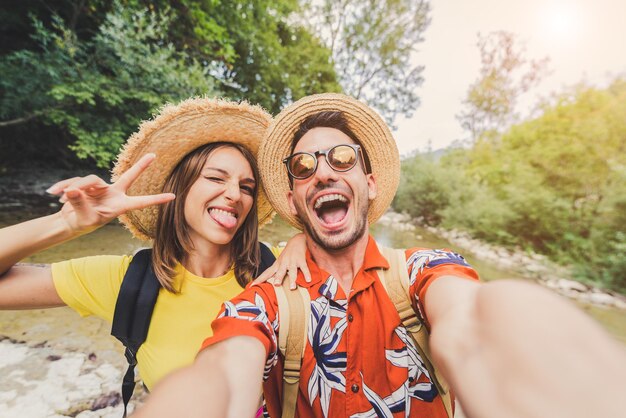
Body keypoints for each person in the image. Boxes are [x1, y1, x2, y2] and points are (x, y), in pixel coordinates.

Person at [133, 93, 626, 418]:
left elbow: (475, 323)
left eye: (342, 158)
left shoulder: (425, 272)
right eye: (304, 166)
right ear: (295, 198)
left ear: (368, 183)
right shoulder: (264, 300)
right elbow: (221, 375)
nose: (323, 172)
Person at [0, 97, 309, 410]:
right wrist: (66, 224)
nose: (234, 195)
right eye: (215, 178)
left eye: (246, 187)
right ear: (180, 187)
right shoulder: (127, 280)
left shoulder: (277, 267)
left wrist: (302, 238)